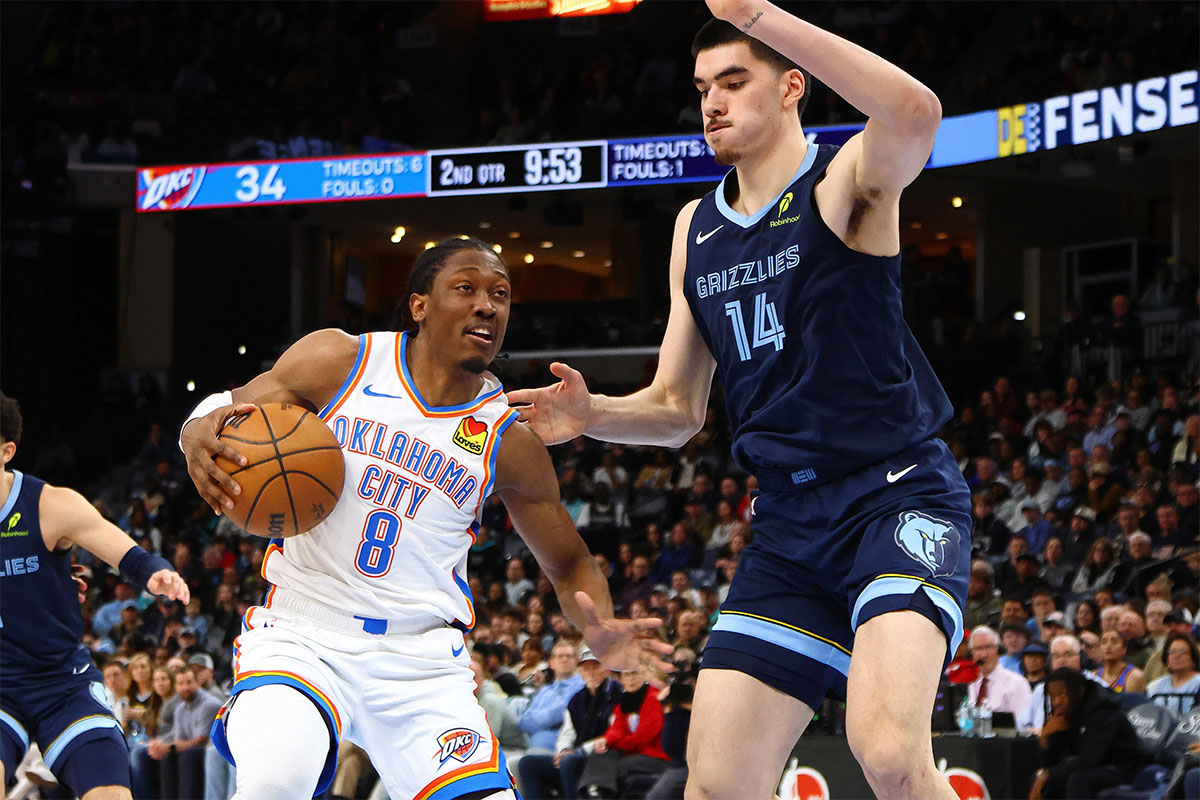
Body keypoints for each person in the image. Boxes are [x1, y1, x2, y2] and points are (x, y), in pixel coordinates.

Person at [507, 2, 970, 796]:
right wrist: (595, 418)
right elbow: (679, 407)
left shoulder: (844, 181)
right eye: (702, 87)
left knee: (889, 755)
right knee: (714, 786)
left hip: (893, 500)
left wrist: (762, 13)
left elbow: (916, 111)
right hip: (787, 529)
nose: (713, 103)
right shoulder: (697, 227)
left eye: (734, 80)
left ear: (793, 85)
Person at [179, 239, 670, 800]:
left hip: (422, 666)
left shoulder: (510, 440)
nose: (487, 304)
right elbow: (227, 408)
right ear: (419, 305)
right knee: (275, 780)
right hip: (304, 633)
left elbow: (570, 561)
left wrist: (597, 629)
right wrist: (193, 426)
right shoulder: (341, 361)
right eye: (467, 288)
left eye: (501, 294)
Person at [0, 393, 189, 800]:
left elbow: (125, 552)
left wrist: (155, 573)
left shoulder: (49, 505)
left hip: (61, 681)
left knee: (111, 795)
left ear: (6, 451)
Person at [517, 647, 621, 800]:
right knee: (528, 763)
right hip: (575, 755)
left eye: (595, 667)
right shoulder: (576, 699)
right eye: (586, 668)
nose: (591, 672)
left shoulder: (616, 694)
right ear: (580, 671)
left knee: (569, 761)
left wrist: (578, 751)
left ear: (606, 670)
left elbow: (614, 732)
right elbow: (567, 732)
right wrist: (564, 749)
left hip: (602, 755)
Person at [1028, 668, 1146, 800]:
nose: (1056, 701)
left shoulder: (1103, 710)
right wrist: (1046, 737)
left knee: (1077, 779)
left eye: (1061, 694)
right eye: (1052, 695)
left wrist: (1048, 774)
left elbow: (1089, 759)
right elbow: (1048, 762)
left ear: (1079, 691)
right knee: (1038, 776)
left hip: (1122, 766)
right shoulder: (1065, 710)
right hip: (1093, 765)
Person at [966, 626, 1033, 715]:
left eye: (988, 647)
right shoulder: (971, 684)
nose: (984, 654)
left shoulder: (1017, 683)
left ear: (998, 650)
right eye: (978, 648)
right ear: (971, 654)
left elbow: (1023, 723)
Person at [1147, 632, 1200, 715]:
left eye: (1182, 652)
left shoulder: (1198, 683)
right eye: (1171, 652)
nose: (1177, 656)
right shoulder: (1154, 686)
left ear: (1193, 658)